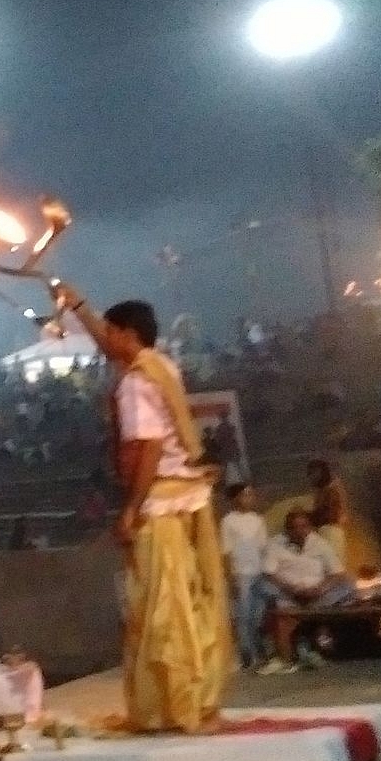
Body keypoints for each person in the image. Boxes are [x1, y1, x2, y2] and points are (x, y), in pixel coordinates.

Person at [57, 287, 231, 733]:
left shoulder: (135, 383)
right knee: (191, 602)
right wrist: (75, 305)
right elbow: (109, 344)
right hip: (189, 496)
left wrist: (131, 508)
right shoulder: (159, 365)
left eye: (112, 331)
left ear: (128, 334)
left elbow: (149, 447)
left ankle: (176, 707)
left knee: (161, 607)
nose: (105, 338)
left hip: (159, 501)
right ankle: (193, 701)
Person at [259, 509, 355, 672]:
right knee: (264, 587)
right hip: (288, 592)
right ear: (287, 530)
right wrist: (292, 589)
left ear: (310, 527)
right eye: (294, 527)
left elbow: (337, 572)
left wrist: (321, 588)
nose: (299, 531)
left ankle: (309, 622)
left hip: (318, 593)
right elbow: (269, 573)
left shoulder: (320, 543)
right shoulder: (275, 544)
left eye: (303, 526)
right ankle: (290, 654)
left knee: (348, 585)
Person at [219, 482, 270, 671]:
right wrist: (230, 576)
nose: (249, 498)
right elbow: (226, 551)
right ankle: (247, 653)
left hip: (258, 572)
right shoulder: (228, 521)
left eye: (250, 494)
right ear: (235, 499)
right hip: (241, 573)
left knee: (258, 614)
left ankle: (260, 649)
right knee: (244, 615)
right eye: (245, 495)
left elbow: (264, 547)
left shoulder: (258, 519)